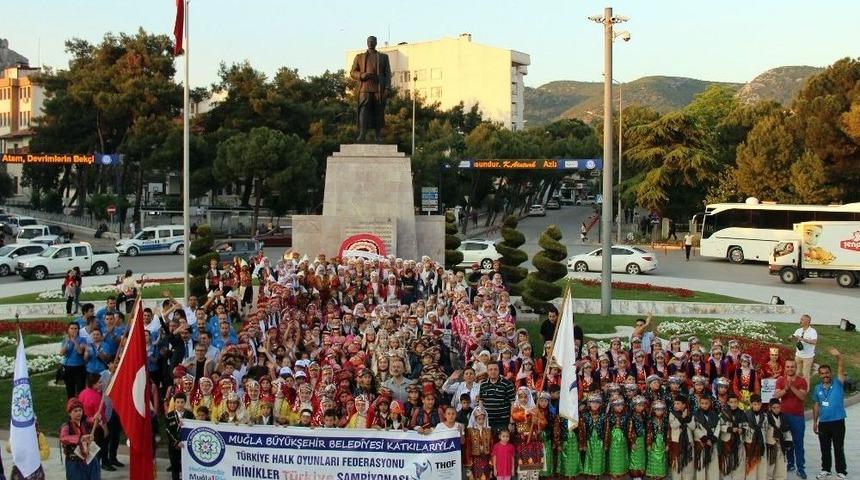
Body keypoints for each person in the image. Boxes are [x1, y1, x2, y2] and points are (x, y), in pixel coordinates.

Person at [812, 348, 847, 480]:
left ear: (830, 373)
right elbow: (816, 405)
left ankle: (841, 471)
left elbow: (841, 368)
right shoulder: (817, 388)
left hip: (838, 421)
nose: (825, 375)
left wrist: (839, 356)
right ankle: (826, 470)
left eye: (827, 373)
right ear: (819, 375)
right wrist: (815, 422)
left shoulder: (838, 383)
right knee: (824, 448)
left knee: (838, 447)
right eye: (822, 373)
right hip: (824, 423)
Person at [773, 359, 807, 478]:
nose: (790, 369)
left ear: (796, 368)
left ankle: (801, 468)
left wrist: (791, 387)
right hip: (784, 416)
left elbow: (802, 396)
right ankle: (790, 464)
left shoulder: (802, 381)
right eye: (788, 367)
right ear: (785, 368)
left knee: (798, 443)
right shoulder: (780, 380)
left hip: (797, 417)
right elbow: (776, 395)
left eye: (792, 367)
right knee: (787, 442)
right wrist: (785, 389)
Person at [60, 398, 100, 479]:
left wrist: (96, 418)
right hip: (74, 462)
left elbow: (93, 421)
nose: (79, 413)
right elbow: (63, 438)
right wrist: (81, 438)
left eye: (80, 410)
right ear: (69, 413)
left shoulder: (85, 422)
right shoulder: (66, 426)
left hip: (90, 458)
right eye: (75, 411)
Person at [166, 392, 194, 480]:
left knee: (187, 466)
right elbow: (168, 431)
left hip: (186, 446)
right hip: (174, 446)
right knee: (175, 467)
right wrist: (176, 442)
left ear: (185, 403)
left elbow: (193, 430)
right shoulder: (169, 415)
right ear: (174, 403)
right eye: (177, 402)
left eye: (182, 402)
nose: (180, 404)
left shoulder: (190, 415)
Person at [60, 321, 87, 399]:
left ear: (78, 330)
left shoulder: (82, 339)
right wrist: (67, 341)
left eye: (76, 328)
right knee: (69, 388)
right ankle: (71, 403)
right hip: (68, 366)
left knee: (80, 388)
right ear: (68, 330)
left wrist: (75, 340)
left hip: (79, 366)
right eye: (71, 328)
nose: (74, 330)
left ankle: (81, 403)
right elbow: (61, 353)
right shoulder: (65, 340)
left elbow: (80, 351)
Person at [792, 314, 817, 382]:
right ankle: (798, 386)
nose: (800, 321)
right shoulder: (798, 330)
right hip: (798, 355)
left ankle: (806, 388)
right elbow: (793, 338)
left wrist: (803, 339)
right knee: (798, 373)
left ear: (807, 321)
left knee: (805, 375)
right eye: (801, 319)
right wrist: (791, 338)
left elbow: (814, 342)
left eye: (802, 320)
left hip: (808, 357)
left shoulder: (812, 331)